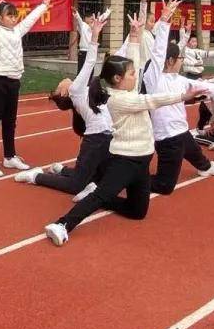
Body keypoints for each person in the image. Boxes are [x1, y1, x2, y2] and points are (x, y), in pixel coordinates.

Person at [43, 22, 203, 247]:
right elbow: (152, 100)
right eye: (130, 74)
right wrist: (184, 97)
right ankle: (62, 224)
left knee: (137, 212)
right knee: (100, 196)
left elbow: (135, 66)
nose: (135, 76)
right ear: (118, 79)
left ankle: (98, 192)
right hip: (126, 160)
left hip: (143, 160)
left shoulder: (125, 89)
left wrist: (135, 36)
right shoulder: (119, 99)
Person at [141, 0, 214, 193]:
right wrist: (163, 21)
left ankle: (205, 167)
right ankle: (131, 180)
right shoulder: (153, 79)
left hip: (182, 133)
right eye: (180, 57)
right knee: (165, 187)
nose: (182, 60)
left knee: (195, 152)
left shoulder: (178, 80)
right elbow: (157, 54)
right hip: (167, 139)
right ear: (170, 60)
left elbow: (209, 87)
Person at [16, 16, 113, 196]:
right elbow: (90, 62)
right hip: (96, 140)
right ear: (64, 93)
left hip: (106, 137)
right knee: (76, 186)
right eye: (58, 86)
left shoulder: (81, 88)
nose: (60, 82)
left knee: (103, 177)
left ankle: (62, 170)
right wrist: (94, 36)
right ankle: (36, 176)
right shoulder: (76, 90)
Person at [0, 0, 55, 177]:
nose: (14, 18)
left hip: (14, 81)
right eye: (9, 15)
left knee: (10, 122)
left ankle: (9, 156)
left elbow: (30, 20)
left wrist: (43, 6)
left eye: (15, 15)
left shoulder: (17, 31)